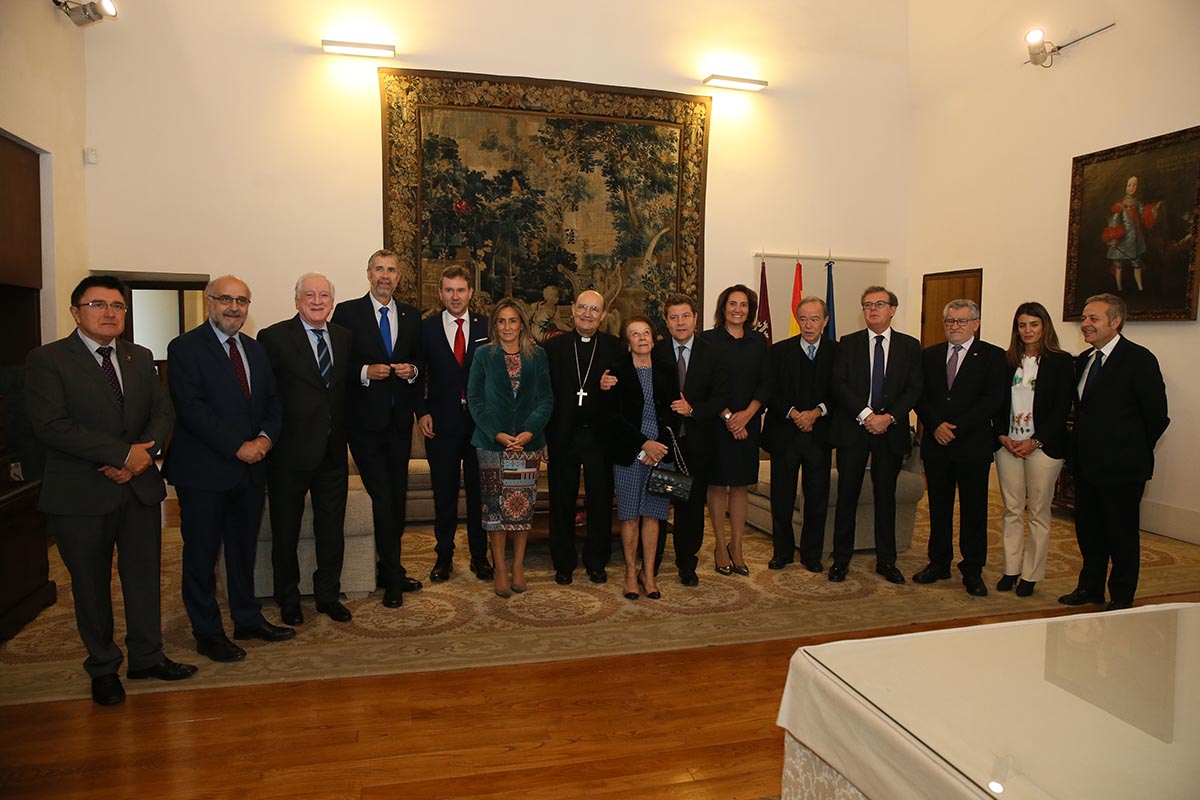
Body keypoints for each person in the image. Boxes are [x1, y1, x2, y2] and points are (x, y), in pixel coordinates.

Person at [25, 275, 197, 706]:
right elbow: (51, 426)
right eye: (98, 304)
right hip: (81, 493)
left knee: (143, 580)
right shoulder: (48, 360)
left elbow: (163, 412)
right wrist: (124, 455)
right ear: (75, 311)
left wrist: (144, 456)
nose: (109, 313)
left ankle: (147, 656)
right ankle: (102, 666)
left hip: (138, 489)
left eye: (117, 306)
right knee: (90, 584)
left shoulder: (139, 357)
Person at [165, 275, 293, 663]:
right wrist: (238, 446)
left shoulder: (255, 350)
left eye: (242, 301)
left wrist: (265, 441)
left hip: (251, 470)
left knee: (243, 550)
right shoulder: (185, 347)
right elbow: (191, 408)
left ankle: (247, 617)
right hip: (204, 472)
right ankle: (207, 631)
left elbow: (273, 401)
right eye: (226, 299)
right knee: (202, 555)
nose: (234, 307)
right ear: (209, 302)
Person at [1060, 293, 1169, 611]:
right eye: (1084, 318)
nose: (1085, 324)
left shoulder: (1139, 359)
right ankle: (1090, 588)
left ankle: (1121, 595)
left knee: (1121, 534)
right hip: (1086, 465)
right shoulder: (1084, 360)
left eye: (1093, 318)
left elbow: (1157, 416)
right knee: (1089, 532)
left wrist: (1128, 449)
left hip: (1123, 468)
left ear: (1115, 321)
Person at [259, 273, 353, 624]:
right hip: (288, 454)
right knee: (286, 530)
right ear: (297, 300)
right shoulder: (274, 338)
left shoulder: (344, 338)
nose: (317, 301)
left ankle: (328, 594)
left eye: (324, 295)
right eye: (309, 295)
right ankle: (289, 598)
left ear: (332, 300)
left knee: (332, 529)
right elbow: (265, 394)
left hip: (332, 452)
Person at [333, 249, 424, 608]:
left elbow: (420, 363)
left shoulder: (411, 316)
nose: (385, 276)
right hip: (364, 426)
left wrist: (412, 371)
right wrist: (364, 373)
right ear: (368, 273)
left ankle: (390, 568)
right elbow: (341, 363)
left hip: (400, 424)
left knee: (396, 498)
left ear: (399, 277)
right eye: (379, 269)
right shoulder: (347, 313)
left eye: (391, 270)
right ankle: (392, 577)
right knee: (383, 497)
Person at [913, 300, 1008, 597]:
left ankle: (972, 569)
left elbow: (993, 400)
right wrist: (936, 424)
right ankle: (938, 563)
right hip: (937, 444)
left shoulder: (993, 356)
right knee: (938, 508)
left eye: (962, 321)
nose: (955, 326)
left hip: (972, 445)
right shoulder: (929, 355)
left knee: (974, 510)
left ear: (976, 324)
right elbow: (920, 395)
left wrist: (956, 427)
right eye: (950, 321)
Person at [829, 286, 922, 584]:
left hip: (890, 432)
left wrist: (888, 418)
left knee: (886, 497)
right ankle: (840, 560)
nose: (872, 309)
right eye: (867, 304)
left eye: (879, 304)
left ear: (892, 309)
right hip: (854, 431)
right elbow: (839, 385)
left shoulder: (909, 346)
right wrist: (867, 415)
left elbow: (914, 388)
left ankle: (887, 560)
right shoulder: (848, 343)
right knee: (847, 496)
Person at [467, 299, 553, 597]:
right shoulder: (483, 355)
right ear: (495, 325)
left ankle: (518, 566)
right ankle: (500, 569)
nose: (507, 327)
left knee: (520, 509)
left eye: (512, 321)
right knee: (495, 511)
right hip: (492, 444)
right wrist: (499, 434)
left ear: (522, 325)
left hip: (528, 445)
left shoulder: (538, 356)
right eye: (501, 321)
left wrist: (529, 432)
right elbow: (475, 399)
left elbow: (546, 399)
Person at [991, 301, 1074, 597]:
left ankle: (1031, 574)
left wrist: (1035, 441)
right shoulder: (1007, 360)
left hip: (1043, 447)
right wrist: (1002, 435)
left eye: (1033, 324)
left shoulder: (1061, 361)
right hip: (1008, 445)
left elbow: (1062, 407)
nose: (1027, 330)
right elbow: (998, 403)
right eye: (1022, 325)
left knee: (1038, 511)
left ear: (1045, 327)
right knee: (1012, 510)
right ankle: (1011, 569)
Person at [416, 266, 493, 583]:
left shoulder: (487, 326)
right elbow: (417, 374)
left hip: (479, 426)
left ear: (470, 293)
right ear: (441, 293)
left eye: (461, 290)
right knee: (444, 494)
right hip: (441, 425)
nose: (455, 296)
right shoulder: (426, 328)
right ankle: (443, 557)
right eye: (449, 290)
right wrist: (421, 412)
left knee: (479, 496)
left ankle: (479, 557)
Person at [543, 289, 623, 585]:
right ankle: (563, 562)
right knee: (561, 500)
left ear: (603, 315)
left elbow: (625, 394)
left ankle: (596, 560)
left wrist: (609, 388)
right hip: (563, 436)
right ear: (573, 310)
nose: (587, 313)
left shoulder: (616, 347)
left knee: (600, 501)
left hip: (600, 438)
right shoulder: (554, 347)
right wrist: (543, 438)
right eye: (582, 307)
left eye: (594, 309)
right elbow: (545, 395)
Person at [652, 293, 728, 585]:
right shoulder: (655, 353)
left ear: (696, 318)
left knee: (691, 505)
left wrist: (693, 410)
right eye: (674, 317)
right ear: (667, 321)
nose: (680, 322)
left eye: (685, 316)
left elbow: (721, 395)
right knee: (659, 502)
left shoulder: (712, 353)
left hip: (696, 444)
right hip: (663, 444)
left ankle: (687, 562)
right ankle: (654, 559)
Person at [762, 297, 837, 573]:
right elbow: (769, 390)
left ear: (825, 321)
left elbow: (840, 392)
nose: (808, 325)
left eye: (815, 319)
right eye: (803, 318)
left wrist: (816, 413)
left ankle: (812, 554)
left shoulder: (837, 352)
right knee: (781, 499)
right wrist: (795, 414)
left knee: (817, 498)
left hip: (819, 435)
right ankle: (782, 552)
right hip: (785, 434)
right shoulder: (779, 351)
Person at [703, 284, 770, 576]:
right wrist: (730, 417)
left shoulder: (758, 342)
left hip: (749, 422)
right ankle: (719, 545)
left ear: (750, 311)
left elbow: (766, 383)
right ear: (723, 307)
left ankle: (738, 547)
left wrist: (747, 415)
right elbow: (703, 385)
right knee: (717, 484)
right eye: (733, 304)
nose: (738, 309)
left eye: (743, 305)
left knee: (741, 485)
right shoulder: (707, 340)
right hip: (717, 424)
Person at [609, 315, 675, 600]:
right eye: (635, 334)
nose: (642, 338)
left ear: (653, 338)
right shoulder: (617, 372)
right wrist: (643, 445)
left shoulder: (667, 370)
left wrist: (657, 447)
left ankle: (648, 574)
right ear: (628, 342)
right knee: (630, 515)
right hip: (629, 453)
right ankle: (629, 574)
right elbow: (613, 417)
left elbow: (673, 412)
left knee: (654, 515)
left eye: (646, 332)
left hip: (661, 454)